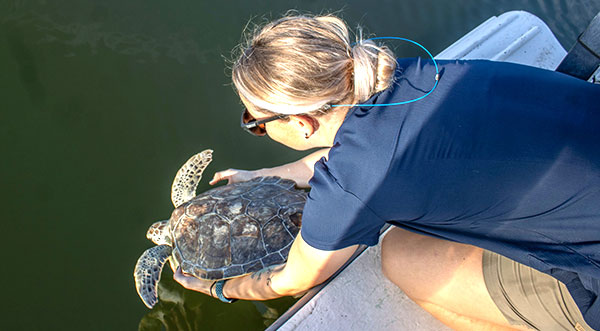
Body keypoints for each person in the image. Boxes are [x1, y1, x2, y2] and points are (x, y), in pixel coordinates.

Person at [173, 13, 600, 330]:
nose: (254, 128)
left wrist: (217, 288)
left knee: (400, 257)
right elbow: (359, 146)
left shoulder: (355, 181)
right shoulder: (428, 74)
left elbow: (291, 280)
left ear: (302, 123)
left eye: (256, 124)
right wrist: (268, 173)